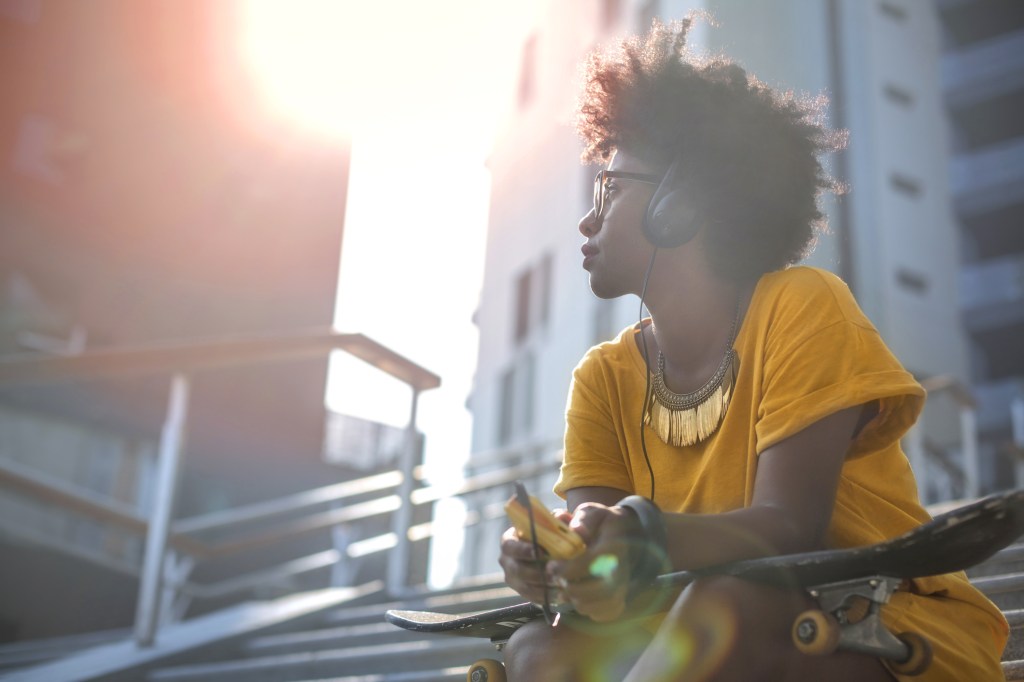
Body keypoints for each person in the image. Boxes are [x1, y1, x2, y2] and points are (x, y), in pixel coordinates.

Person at [498, 17, 1008, 682]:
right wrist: (563, 560)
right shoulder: (602, 376)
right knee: (537, 649)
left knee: (727, 606)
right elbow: (607, 578)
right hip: (698, 640)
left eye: (611, 189)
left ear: (680, 202)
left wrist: (639, 534)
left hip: (876, 629)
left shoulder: (803, 304)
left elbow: (789, 528)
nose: (586, 219)